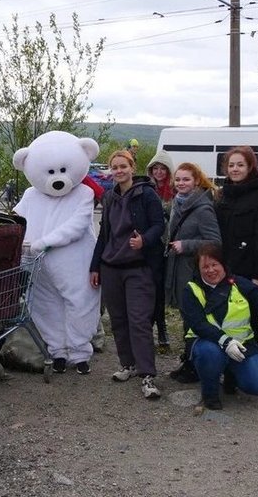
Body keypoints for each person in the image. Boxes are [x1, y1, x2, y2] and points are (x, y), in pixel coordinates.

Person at [89, 150, 165, 399]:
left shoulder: (147, 195)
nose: (119, 171)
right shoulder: (109, 197)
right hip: (112, 267)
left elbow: (159, 226)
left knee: (139, 321)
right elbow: (104, 235)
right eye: (115, 167)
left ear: (133, 167)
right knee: (118, 320)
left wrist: (144, 240)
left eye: (123, 166)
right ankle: (128, 365)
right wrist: (95, 266)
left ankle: (147, 375)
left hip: (138, 268)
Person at [182, 242, 258, 410]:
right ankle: (210, 393)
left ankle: (231, 373)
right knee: (210, 353)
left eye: (214, 264)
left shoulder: (240, 283)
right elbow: (198, 324)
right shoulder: (192, 289)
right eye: (205, 266)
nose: (210, 270)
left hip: (242, 345)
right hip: (207, 343)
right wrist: (225, 341)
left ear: (223, 264)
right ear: (198, 268)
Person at [164, 163, 221, 383]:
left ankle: (196, 365)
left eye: (186, 179)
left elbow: (215, 242)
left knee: (194, 319)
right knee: (187, 318)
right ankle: (189, 360)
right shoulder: (178, 204)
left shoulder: (202, 208)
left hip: (193, 273)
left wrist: (186, 245)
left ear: (196, 181)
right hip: (180, 270)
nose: (181, 183)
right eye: (177, 179)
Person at [215, 145, 258, 341]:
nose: (235, 169)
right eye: (231, 165)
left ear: (250, 167)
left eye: (240, 165)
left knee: (248, 321)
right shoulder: (223, 195)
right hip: (224, 270)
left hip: (248, 273)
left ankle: (250, 362)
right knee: (224, 319)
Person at [146, 149, 175, 348]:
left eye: (162, 169)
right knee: (150, 288)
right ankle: (148, 327)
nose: (158, 172)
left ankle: (162, 327)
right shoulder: (146, 189)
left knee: (161, 290)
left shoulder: (174, 191)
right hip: (150, 245)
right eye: (155, 168)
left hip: (168, 245)